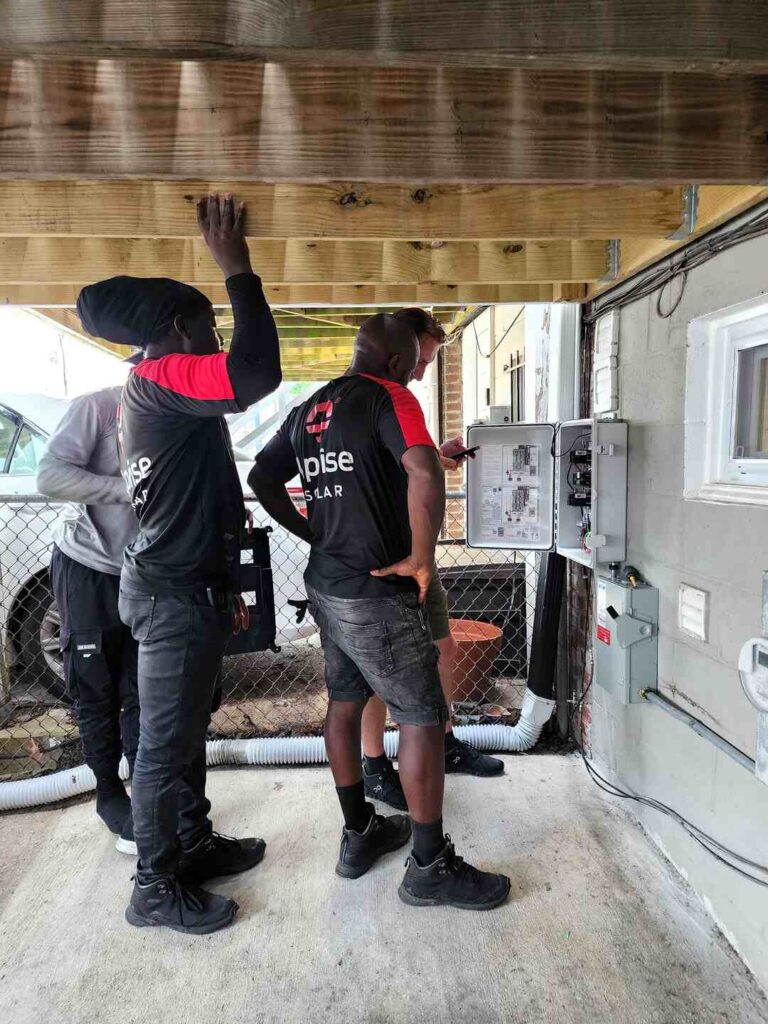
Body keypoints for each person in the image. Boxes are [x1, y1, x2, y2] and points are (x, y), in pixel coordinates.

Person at [250, 313, 510, 910]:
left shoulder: (312, 407)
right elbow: (421, 471)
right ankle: (429, 867)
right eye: (414, 363)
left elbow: (264, 477)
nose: (418, 373)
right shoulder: (390, 396)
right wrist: (422, 558)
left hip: (329, 586)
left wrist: (311, 530)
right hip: (378, 593)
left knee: (344, 704)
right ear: (395, 362)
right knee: (420, 718)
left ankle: (359, 835)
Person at [76, 194, 282, 935]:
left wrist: (226, 583)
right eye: (207, 325)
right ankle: (154, 886)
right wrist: (239, 270)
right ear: (175, 330)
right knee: (162, 748)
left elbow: (210, 489)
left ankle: (191, 843)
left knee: (184, 730)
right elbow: (255, 373)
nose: (215, 336)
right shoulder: (164, 376)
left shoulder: (157, 390)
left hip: (183, 587)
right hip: (168, 594)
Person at [359, 308, 504, 811]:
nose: (422, 372)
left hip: (416, 555)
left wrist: (438, 455)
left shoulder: (401, 402)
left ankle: (443, 742)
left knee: (442, 647)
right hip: (383, 560)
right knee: (374, 669)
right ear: (395, 351)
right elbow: (395, 475)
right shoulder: (374, 398)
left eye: (429, 363)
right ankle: (374, 765)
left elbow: (408, 464)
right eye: (420, 360)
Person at [37, 386, 140, 854]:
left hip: (146, 570)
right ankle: (109, 792)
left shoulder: (184, 410)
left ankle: (149, 795)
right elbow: (51, 475)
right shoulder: (99, 406)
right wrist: (124, 488)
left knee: (143, 687)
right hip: (90, 565)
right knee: (95, 687)